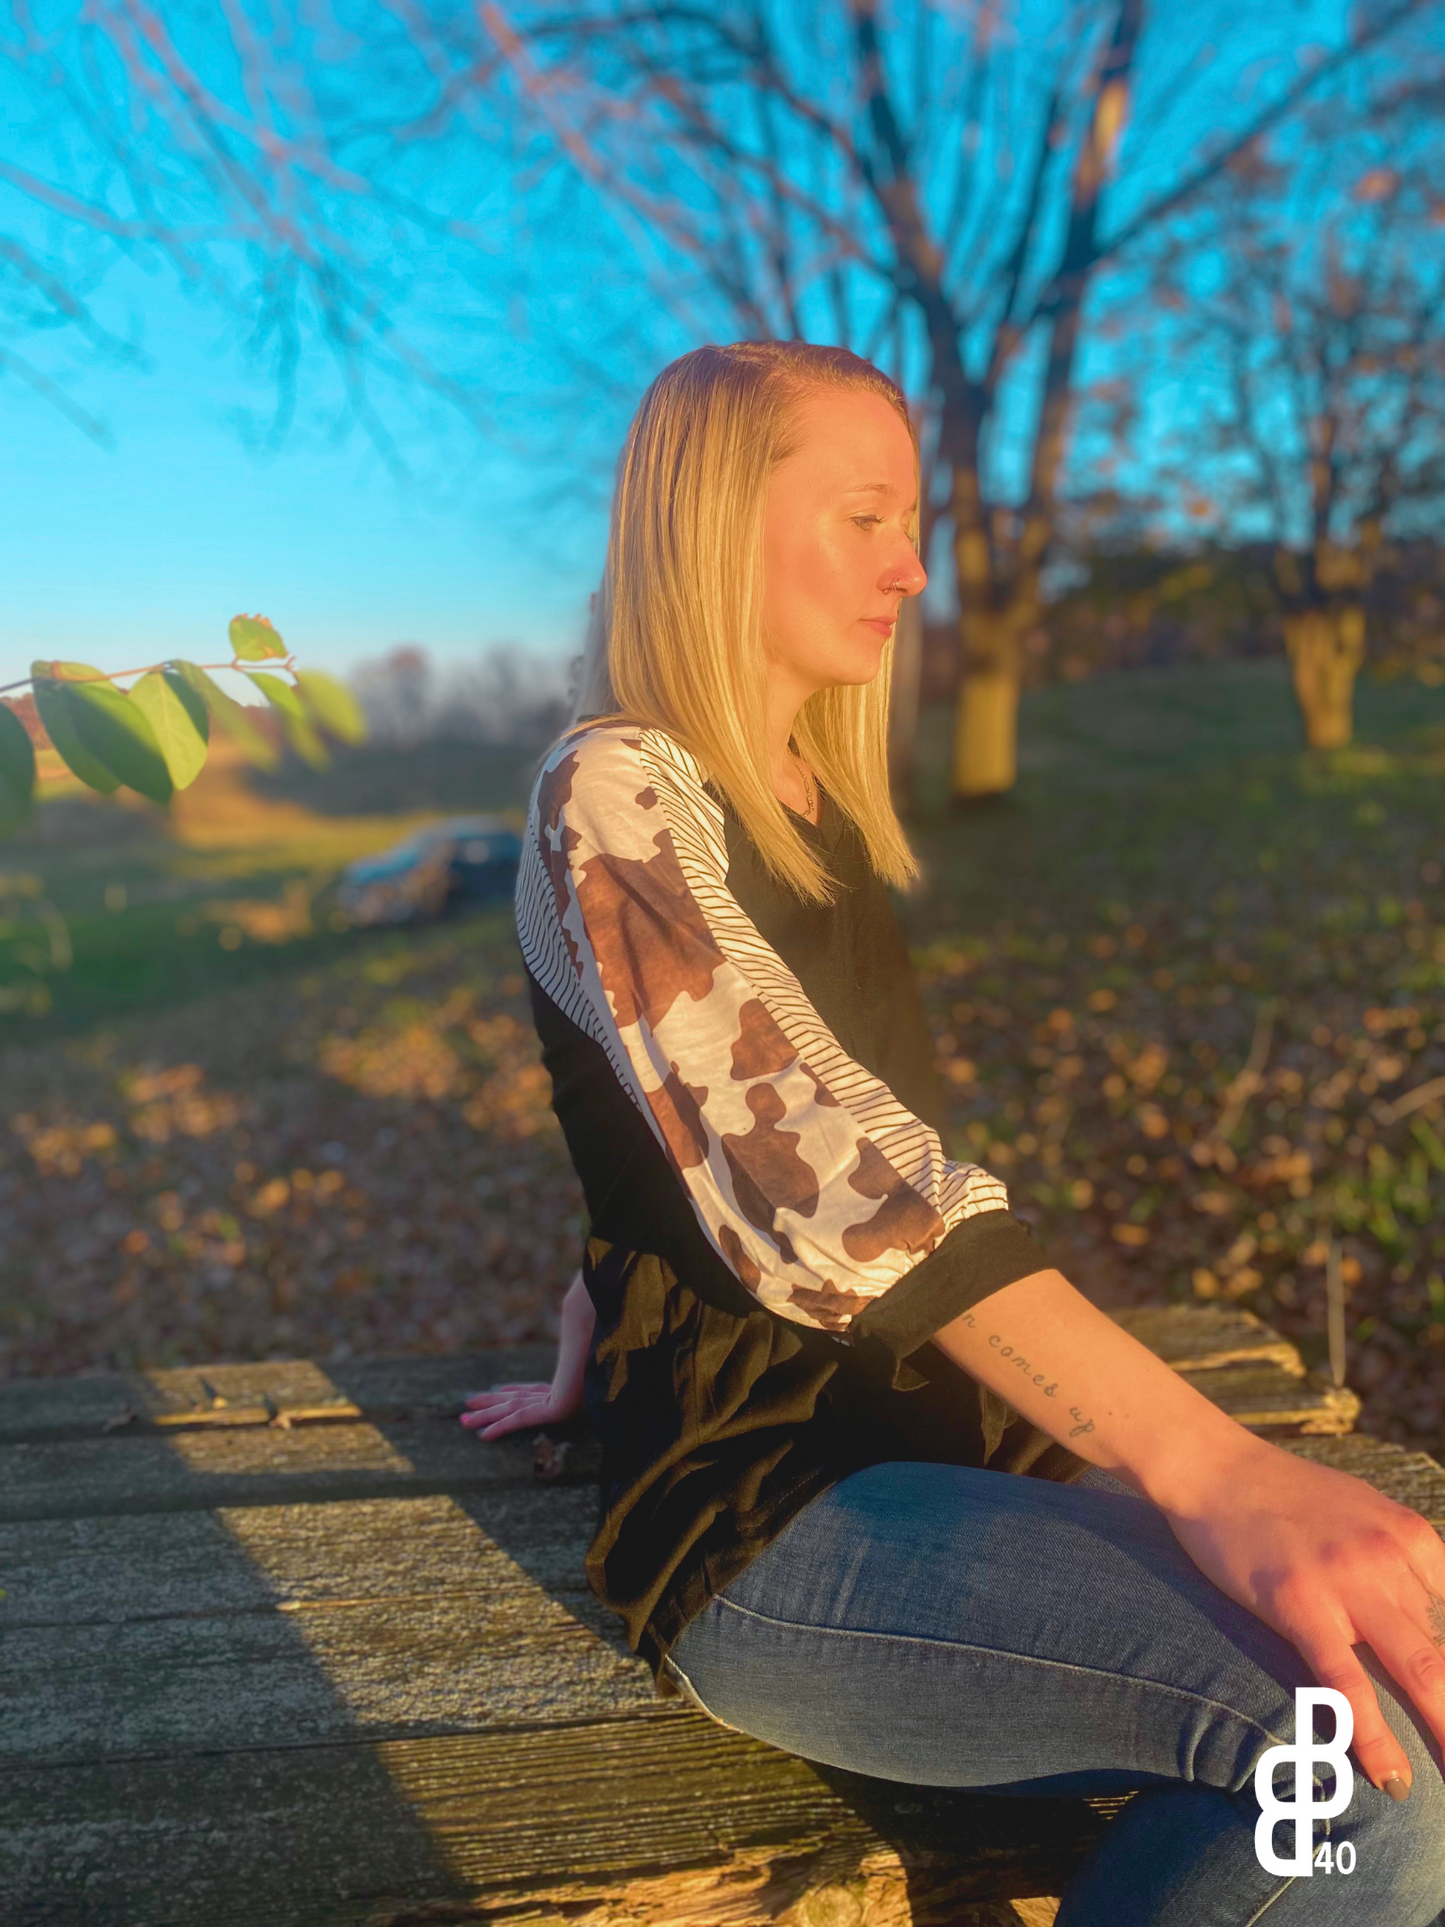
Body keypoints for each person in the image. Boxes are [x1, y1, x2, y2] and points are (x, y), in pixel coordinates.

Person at [461, 340, 1445, 1925]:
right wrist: (1210, 1466)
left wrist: (588, 1320)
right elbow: (801, 1168)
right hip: (766, 1519)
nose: (913, 569)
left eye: (910, 521)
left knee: (1402, 1684)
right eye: (865, 516)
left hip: (941, 1444)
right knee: (1345, 1762)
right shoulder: (615, 793)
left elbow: (662, 1144)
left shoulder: (816, 809)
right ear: (713, 526)